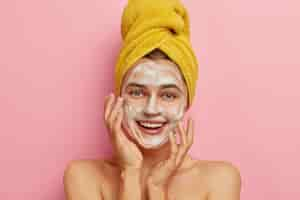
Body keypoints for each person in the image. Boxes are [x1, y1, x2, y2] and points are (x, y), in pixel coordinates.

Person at [63, 1, 241, 200]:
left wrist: (156, 188)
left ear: (186, 101)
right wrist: (130, 173)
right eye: (137, 93)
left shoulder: (220, 180)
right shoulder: (83, 177)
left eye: (168, 95)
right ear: (119, 99)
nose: (151, 109)